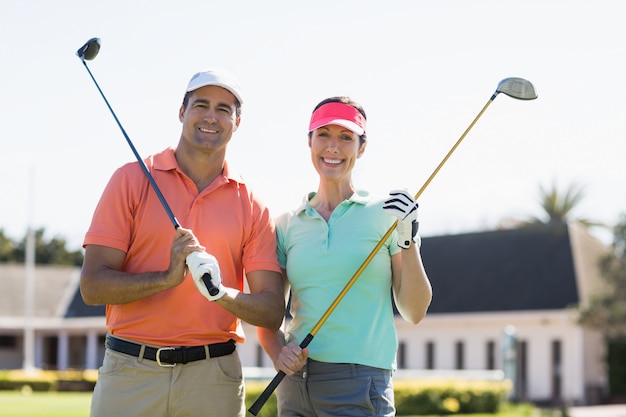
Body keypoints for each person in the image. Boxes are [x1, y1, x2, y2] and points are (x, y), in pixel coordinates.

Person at [80, 68, 285, 417]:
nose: (210, 116)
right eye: (200, 104)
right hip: (131, 371)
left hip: (213, 378)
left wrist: (220, 292)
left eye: (224, 108)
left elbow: (271, 310)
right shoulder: (130, 180)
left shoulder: (251, 203)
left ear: (238, 121)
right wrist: (166, 278)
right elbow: (92, 287)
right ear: (181, 112)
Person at [257, 96, 433, 416]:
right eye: (323, 134)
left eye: (346, 137)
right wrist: (278, 352)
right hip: (294, 385)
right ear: (309, 141)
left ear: (361, 148)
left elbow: (414, 310)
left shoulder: (388, 215)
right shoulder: (286, 224)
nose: (333, 146)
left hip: (359, 382)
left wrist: (409, 240)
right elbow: (268, 314)